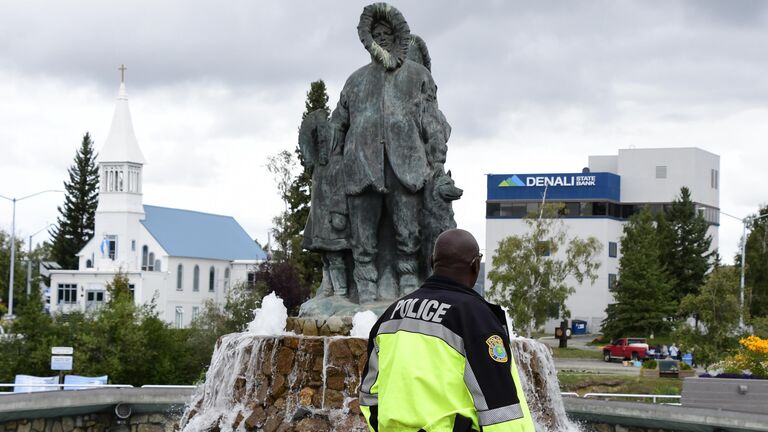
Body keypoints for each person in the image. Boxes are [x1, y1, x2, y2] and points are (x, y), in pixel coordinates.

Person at [359, 229, 535, 431]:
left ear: (431, 262)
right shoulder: (475, 319)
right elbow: (501, 412)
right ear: (476, 265)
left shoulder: (391, 314)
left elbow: (369, 395)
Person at [331, 4, 449, 301]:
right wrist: (329, 158)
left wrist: (437, 161)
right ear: (368, 39)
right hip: (361, 167)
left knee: (408, 230)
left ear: (397, 35)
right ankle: (365, 286)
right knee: (363, 232)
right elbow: (338, 124)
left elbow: (432, 122)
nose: (382, 38)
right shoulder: (355, 80)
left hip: (407, 168)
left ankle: (408, 280)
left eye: (387, 32)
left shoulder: (418, 75)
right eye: (376, 33)